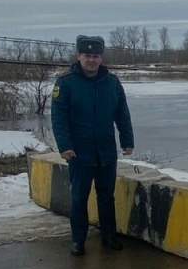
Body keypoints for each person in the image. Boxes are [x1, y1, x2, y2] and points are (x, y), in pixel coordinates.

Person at [50, 34, 134, 255]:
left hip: (106, 152)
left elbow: (122, 114)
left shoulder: (112, 83)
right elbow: (59, 118)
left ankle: (109, 237)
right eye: (87, 55)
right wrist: (65, 146)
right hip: (79, 152)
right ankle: (78, 240)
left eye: (96, 56)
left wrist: (127, 141)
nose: (92, 60)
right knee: (79, 197)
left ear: (101, 57)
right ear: (79, 56)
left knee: (106, 196)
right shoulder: (66, 83)